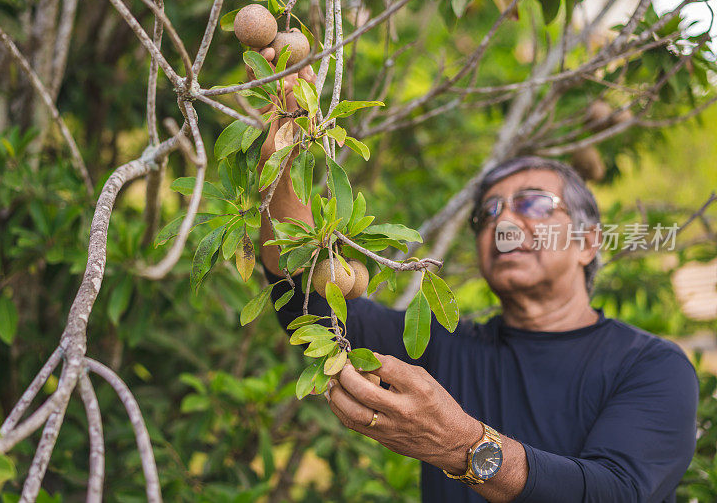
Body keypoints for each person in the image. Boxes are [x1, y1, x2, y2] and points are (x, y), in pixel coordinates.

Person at [256, 60, 698, 503]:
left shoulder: (652, 366)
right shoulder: (441, 347)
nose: (503, 220)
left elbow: (617, 493)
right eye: (488, 213)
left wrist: (462, 446)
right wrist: (285, 150)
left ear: (587, 243)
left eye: (534, 204)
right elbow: (302, 296)